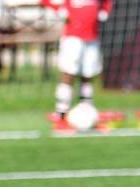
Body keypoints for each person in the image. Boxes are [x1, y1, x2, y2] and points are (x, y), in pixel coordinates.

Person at [42, 0, 112, 132]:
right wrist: (58, 9)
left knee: (88, 75)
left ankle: (88, 115)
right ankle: (61, 116)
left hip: (92, 37)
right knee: (68, 73)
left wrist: (105, 10)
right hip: (73, 37)